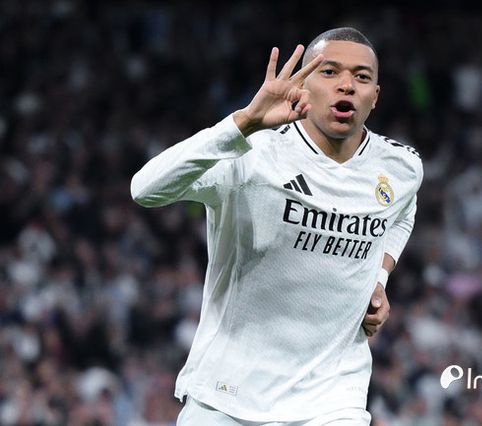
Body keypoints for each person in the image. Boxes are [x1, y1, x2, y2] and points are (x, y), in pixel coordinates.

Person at [131, 27, 423, 425]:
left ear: (375, 96)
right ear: (302, 85)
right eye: (329, 72)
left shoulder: (401, 167)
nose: (347, 85)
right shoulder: (251, 154)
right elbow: (145, 190)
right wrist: (243, 122)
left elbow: (401, 214)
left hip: (332, 399)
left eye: (361, 77)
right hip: (228, 396)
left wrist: (379, 277)